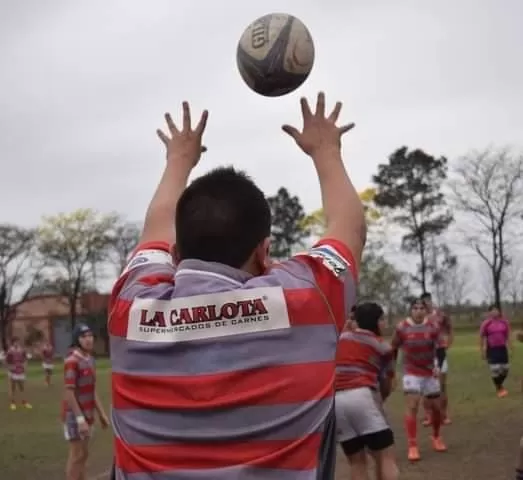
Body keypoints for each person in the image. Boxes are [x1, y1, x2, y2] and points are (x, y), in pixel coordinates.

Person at [108, 93, 366, 479]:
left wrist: (179, 159)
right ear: (264, 253)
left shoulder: (129, 310)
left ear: (175, 255)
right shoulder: (306, 298)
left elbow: (156, 228)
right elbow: (349, 226)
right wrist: (325, 149)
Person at [335, 302, 398, 480]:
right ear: (378, 322)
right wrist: (381, 401)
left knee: (356, 461)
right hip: (362, 395)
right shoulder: (383, 348)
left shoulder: (342, 337)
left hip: (336, 401)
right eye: (383, 319)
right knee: (386, 456)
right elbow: (387, 383)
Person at [391, 298, 447, 462]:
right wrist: (392, 369)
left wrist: (439, 365)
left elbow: (441, 348)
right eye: (415, 308)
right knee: (413, 405)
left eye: (421, 308)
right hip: (411, 372)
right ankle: (412, 445)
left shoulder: (433, 327)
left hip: (430, 372)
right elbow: (393, 347)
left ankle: (436, 437)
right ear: (410, 311)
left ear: (425, 310)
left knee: (437, 408)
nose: (418, 311)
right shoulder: (402, 328)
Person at [63, 323, 109, 480]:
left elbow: (92, 390)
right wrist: (80, 419)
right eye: (84, 336)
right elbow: (69, 392)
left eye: (90, 336)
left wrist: (101, 414)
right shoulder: (72, 361)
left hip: (88, 414)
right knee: (76, 456)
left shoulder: (90, 360)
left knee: (84, 454)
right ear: (77, 340)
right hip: (75, 416)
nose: (88, 339)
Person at [421, 291, 453, 425]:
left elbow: (449, 329)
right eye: (423, 302)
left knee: (441, 386)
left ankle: (444, 414)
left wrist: (448, 344)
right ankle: (429, 416)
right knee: (427, 387)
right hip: (425, 354)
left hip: (440, 353)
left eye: (427, 301)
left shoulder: (440, 315)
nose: (426, 304)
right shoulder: (418, 317)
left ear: (430, 300)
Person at [479, 304, 512, 397]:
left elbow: (508, 335)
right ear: (489, 312)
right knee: (495, 369)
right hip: (492, 349)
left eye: (496, 310)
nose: (495, 312)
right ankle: (500, 389)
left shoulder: (504, 322)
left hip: (502, 348)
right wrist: (482, 351)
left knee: (505, 368)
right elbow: (481, 337)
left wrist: (510, 347)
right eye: (492, 310)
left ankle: (499, 385)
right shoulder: (486, 323)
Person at [5, 337, 32, 410]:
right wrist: (10, 368)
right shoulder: (10, 351)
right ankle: (12, 403)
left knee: (22, 387)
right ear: (13, 343)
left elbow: (25, 358)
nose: (17, 343)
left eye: (18, 342)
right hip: (13, 371)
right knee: (12, 387)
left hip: (20, 370)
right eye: (15, 342)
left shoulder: (22, 350)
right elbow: (7, 361)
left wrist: (25, 366)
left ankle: (24, 402)